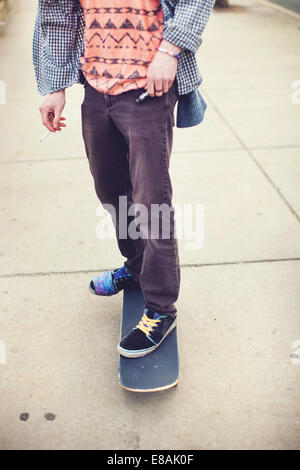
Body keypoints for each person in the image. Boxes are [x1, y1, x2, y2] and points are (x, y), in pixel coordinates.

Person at [33, 0, 214, 358]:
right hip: (96, 88)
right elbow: (58, 15)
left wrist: (171, 48)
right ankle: (135, 266)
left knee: (151, 202)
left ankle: (161, 308)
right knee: (112, 191)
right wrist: (55, 86)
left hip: (149, 87)